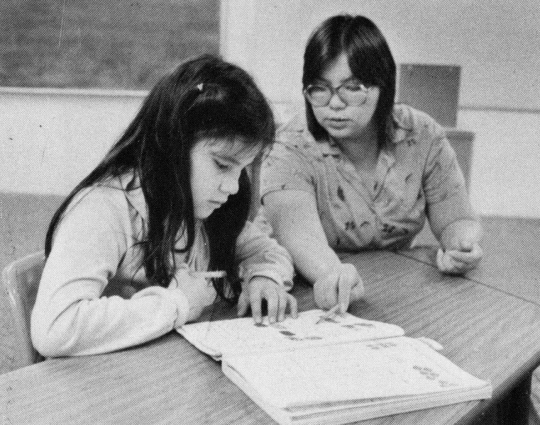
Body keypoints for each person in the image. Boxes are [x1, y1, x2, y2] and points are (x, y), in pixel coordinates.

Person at [31, 54, 297, 358]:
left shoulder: (203, 206)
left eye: (242, 169)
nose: (234, 187)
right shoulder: (103, 209)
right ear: (173, 144)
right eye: (223, 165)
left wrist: (264, 277)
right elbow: (55, 329)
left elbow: (265, 250)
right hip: (98, 389)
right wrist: (177, 303)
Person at [258, 14, 483, 314]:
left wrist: (460, 246)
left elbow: (456, 219)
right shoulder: (290, 148)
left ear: (383, 86)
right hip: (309, 292)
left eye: (352, 87)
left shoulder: (422, 134)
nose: (334, 104)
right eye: (319, 88)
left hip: (393, 289)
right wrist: (333, 275)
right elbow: (301, 239)